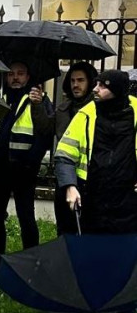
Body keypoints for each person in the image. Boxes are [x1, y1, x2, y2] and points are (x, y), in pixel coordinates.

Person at [55, 70, 137, 313]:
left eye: (102, 85)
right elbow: (64, 154)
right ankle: (92, 304)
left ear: (119, 90)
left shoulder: (136, 110)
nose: (95, 89)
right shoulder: (87, 113)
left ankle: (125, 310)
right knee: (93, 251)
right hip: (92, 195)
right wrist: (70, 186)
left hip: (127, 197)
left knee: (125, 254)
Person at [0, 61, 54, 269]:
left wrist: (31, 163)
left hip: (23, 168)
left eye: (20, 74)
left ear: (28, 77)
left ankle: (31, 262)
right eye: (11, 74)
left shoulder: (38, 99)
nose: (15, 78)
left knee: (26, 217)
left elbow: (45, 134)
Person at [53, 62, 97, 236]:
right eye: (72, 81)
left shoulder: (96, 109)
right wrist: (38, 106)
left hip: (89, 179)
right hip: (65, 177)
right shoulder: (63, 108)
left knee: (86, 230)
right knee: (64, 228)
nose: (75, 85)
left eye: (80, 80)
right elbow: (45, 128)